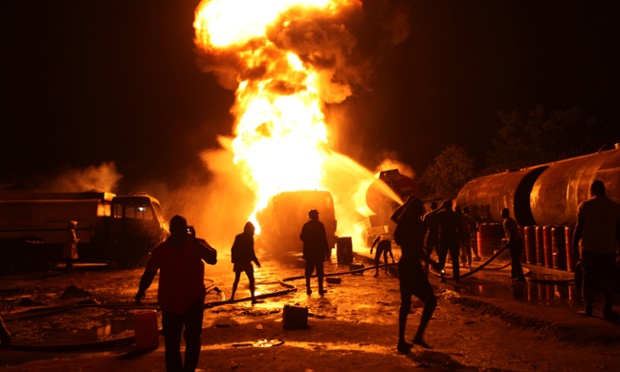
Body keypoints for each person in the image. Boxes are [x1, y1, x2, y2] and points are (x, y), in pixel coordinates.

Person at [135, 215, 217, 372]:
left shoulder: (196, 244)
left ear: (186, 230)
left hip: (193, 300)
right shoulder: (161, 250)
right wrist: (141, 291)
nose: (179, 234)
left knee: (193, 340)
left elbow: (212, 258)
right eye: (176, 230)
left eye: (182, 230)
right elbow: (149, 273)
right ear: (170, 231)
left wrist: (193, 241)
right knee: (172, 344)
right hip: (170, 304)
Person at [391, 197, 441, 352]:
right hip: (413, 266)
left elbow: (393, 217)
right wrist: (433, 263)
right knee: (431, 301)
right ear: (420, 210)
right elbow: (418, 250)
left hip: (403, 265)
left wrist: (405, 204)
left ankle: (401, 341)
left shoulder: (403, 224)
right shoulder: (419, 225)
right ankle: (418, 335)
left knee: (405, 304)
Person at [572, 180, 620, 319]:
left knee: (588, 279)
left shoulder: (585, 206)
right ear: (604, 190)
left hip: (589, 249)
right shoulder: (615, 207)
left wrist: (574, 245)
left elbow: (579, 228)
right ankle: (607, 309)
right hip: (608, 249)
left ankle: (588, 308)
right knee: (607, 280)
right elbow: (618, 231)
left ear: (592, 190)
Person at [300, 209, 330, 295]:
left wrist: (308, 241)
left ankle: (308, 289)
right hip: (319, 252)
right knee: (320, 271)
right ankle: (320, 289)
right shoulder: (320, 225)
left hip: (309, 252)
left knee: (308, 272)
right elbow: (324, 239)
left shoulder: (306, 225)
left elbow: (301, 237)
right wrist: (326, 251)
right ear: (315, 216)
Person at [230, 222, 261, 303]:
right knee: (251, 279)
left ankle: (232, 297)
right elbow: (251, 251)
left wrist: (234, 260)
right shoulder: (249, 238)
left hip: (238, 262)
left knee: (236, 279)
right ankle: (253, 298)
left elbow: (233, 249)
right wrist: (256, 261)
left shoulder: (238, 237)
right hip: (246, 262)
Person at [434, 200, 462, 283]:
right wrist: (461, 240)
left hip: (443, 238)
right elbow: (459, 228)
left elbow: (429, 216)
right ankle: (456, 277)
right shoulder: (455, 216)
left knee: (442, 259)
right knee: (455, 259)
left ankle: (442, 277)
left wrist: (439, 208)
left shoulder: (441, 215)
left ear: (444, 206)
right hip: (453, 238)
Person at [501, 208, 526, 282]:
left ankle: (521, 278)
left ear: (505, 214)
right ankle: (514, 275)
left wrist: (510, 242)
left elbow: (512, 232)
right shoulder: (511, 220)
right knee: (514, 260)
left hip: (515, 243)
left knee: (516, 261)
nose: (501, 214)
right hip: (518, 242)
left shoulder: (506, 221)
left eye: (502, 213)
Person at [423, 201, 440, 272]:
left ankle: (427, 269)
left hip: (432, 235)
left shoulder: (431, 215)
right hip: (436, 235)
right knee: (439, 253)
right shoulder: (437, 215)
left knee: (428, 253)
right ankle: (440, 269)